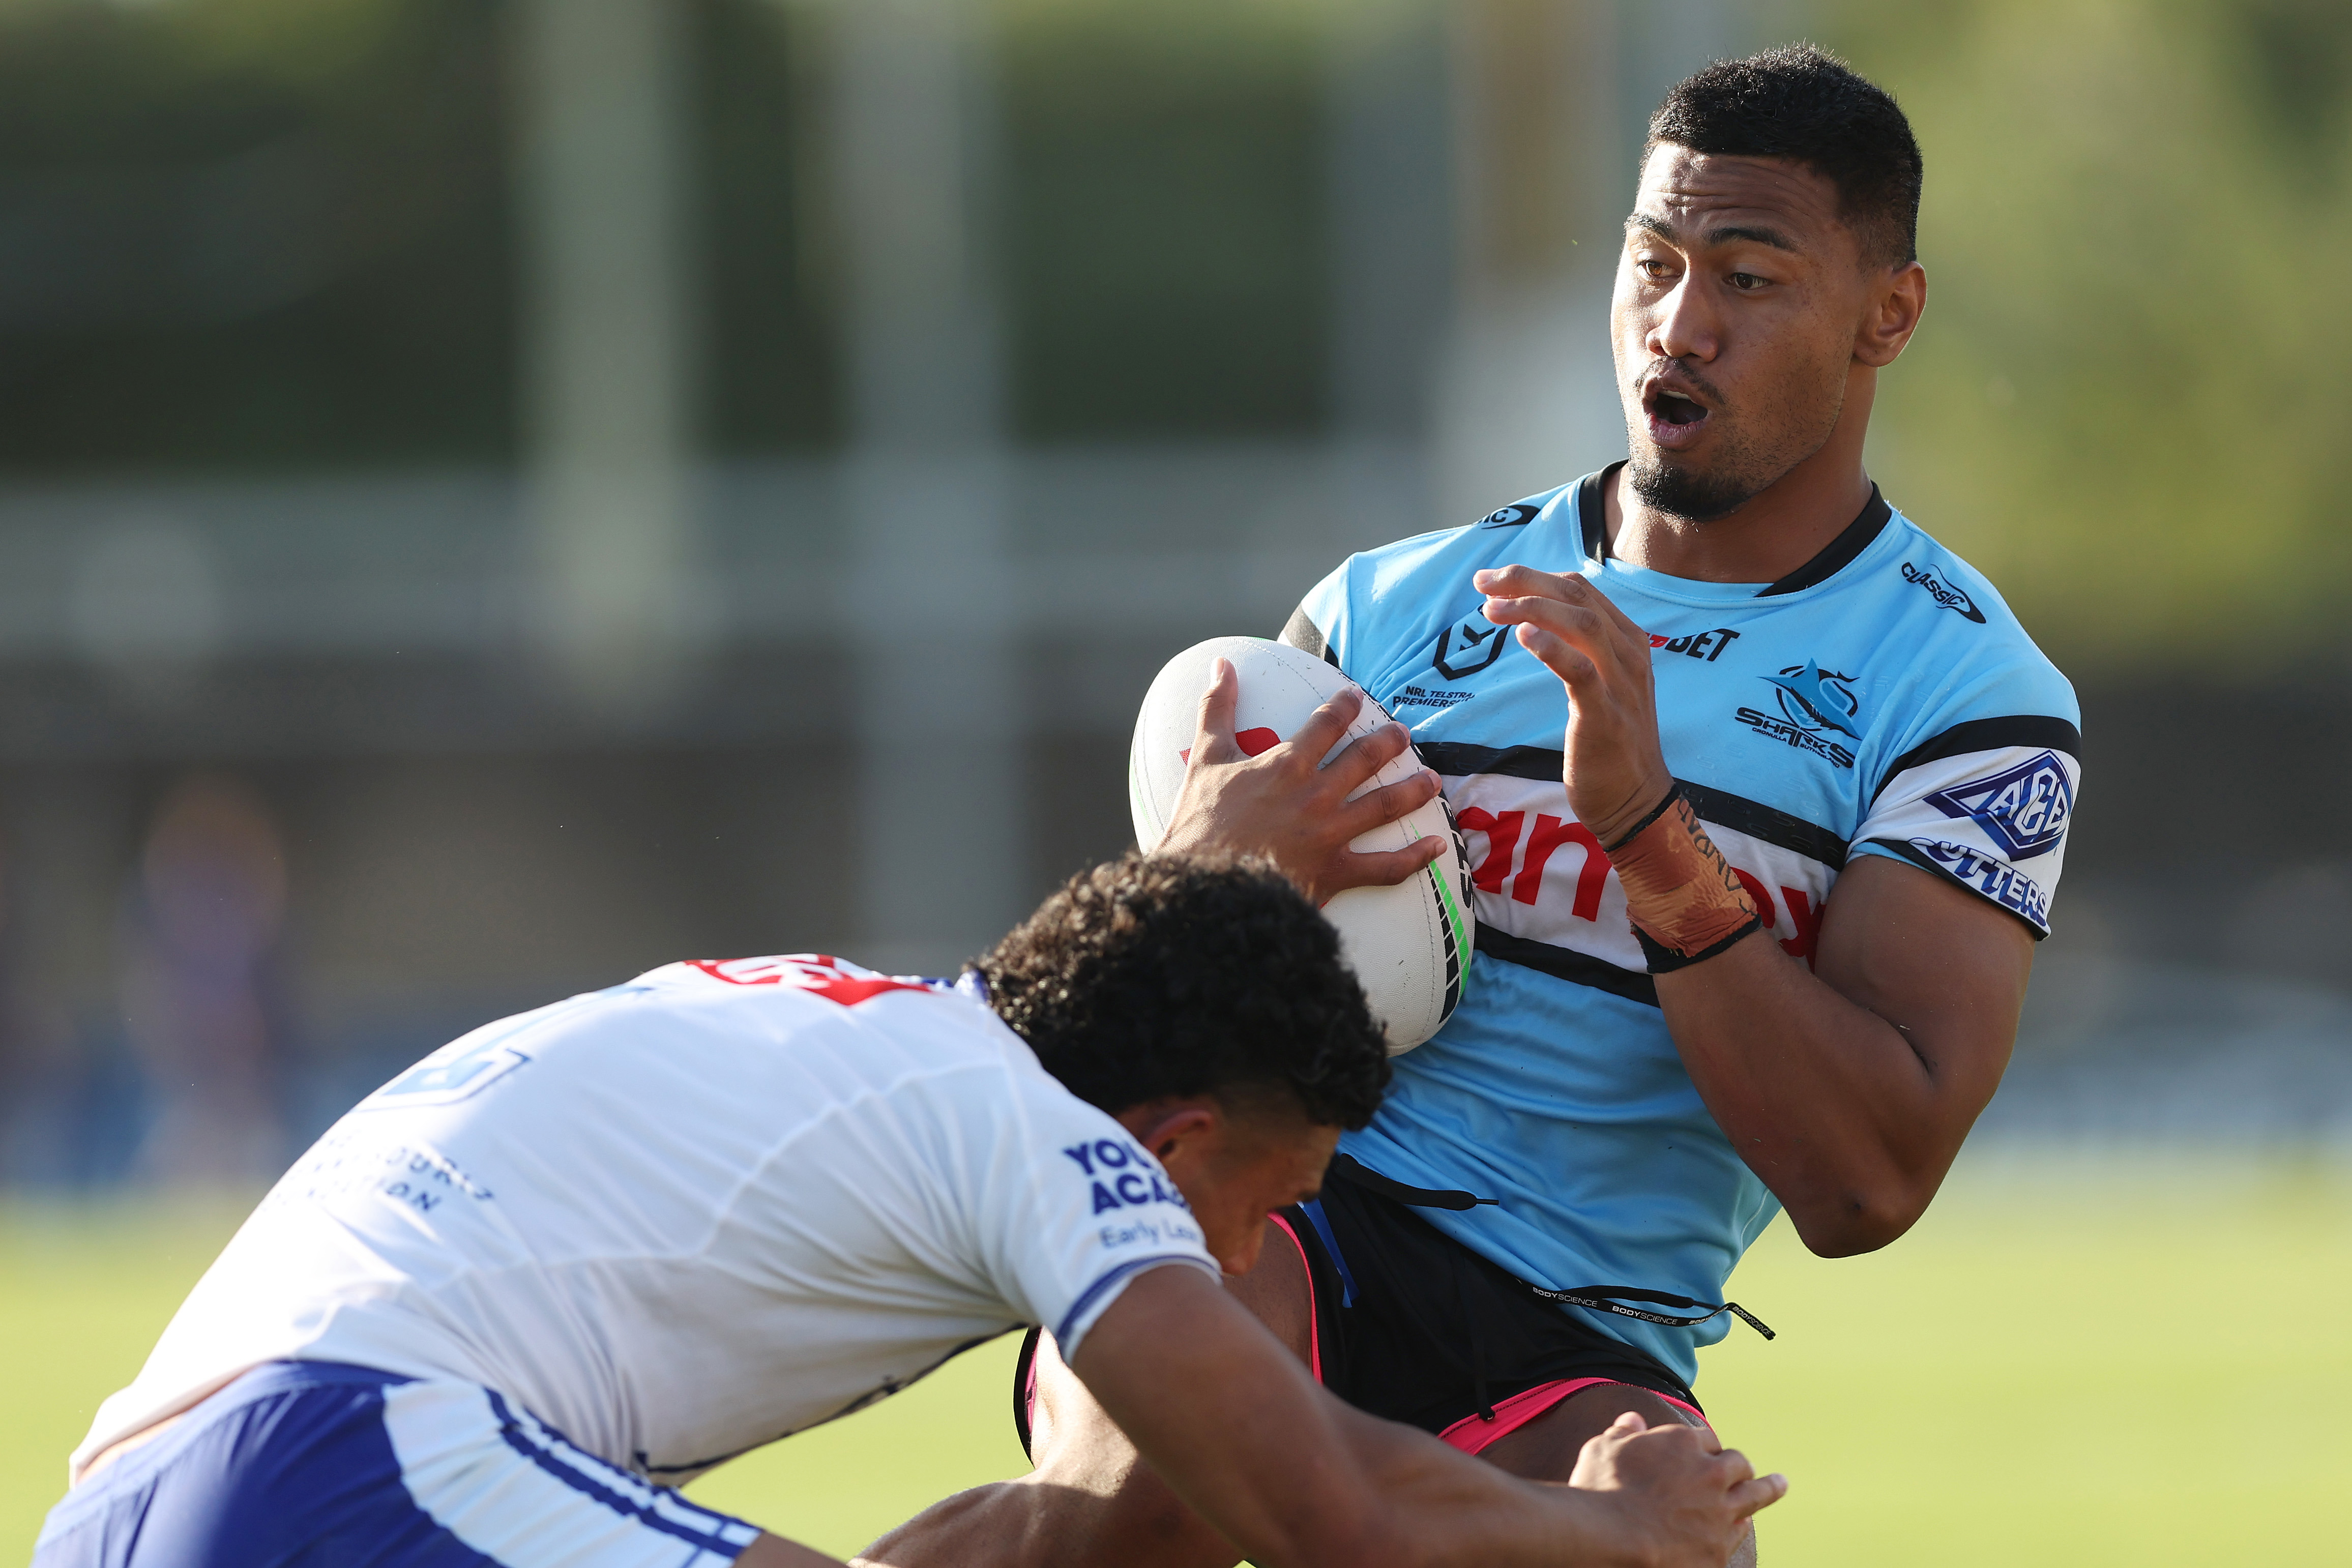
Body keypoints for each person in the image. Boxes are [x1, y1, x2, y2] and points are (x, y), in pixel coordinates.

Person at [925, 45, 2079, 1568]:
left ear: (1890, 314)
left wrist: (1649, 830)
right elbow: (1154, 1027)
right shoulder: (1387, 610)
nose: (1679, 324)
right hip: (1296, 1213)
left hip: (1577, 1336)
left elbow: (1865, 1181)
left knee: (1680, 1549)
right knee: (1151, 1492)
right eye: (1653, 264)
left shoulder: (1969, 695)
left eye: (1748, 277)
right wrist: (1208, 873)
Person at [37, 850, 1781, 1568]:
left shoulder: (859, 1019)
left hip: (124, 1504)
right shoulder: (1052, 1141)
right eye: (1274, 1193)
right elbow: (1310, 1487)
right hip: (348, 1460)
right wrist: (1620, 1528)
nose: (1255, 1246)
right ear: (1173, 1139)